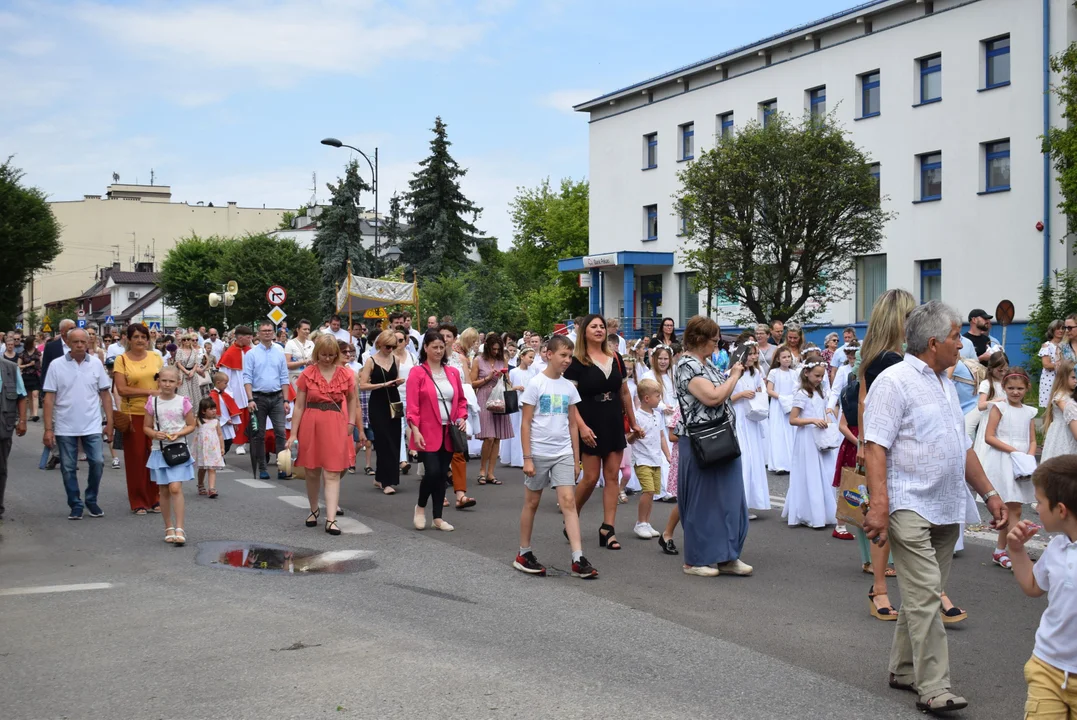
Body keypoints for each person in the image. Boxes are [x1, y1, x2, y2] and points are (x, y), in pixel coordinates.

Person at [863, 300, 1008, 715]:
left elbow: (961, 448)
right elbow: (875, 446)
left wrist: (990, 493)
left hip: (946, 504)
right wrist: (878, 504)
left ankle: (904, 670)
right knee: (928, 595)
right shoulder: (894, 381)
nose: (961, 343)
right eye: (955, 335)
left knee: (920, 596)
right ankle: (935, 687)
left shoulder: (946, 383)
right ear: (933, 342)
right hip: (908, 503)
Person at [514, 334, 598, 579]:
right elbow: (526, 423)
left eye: (570, 356)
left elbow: (573, 425)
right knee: (532, 502)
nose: (567, 360)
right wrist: (527, 457)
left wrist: (575, 459)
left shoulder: (569, 387)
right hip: (539, 452)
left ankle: (577, 557)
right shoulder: (536, 384)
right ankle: (524, 552)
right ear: (548, 354)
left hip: (562, 452)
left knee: (569, 503)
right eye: (563, 355)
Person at [673, 315, 752, 577]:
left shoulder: (705, 364)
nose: (716, 346)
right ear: (699, 339)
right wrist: (736, 375)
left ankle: (727, 556)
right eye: (714, 341)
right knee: (703, 502)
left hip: (723, 438)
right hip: (700, 441)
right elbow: (713, 397)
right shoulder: (686, 364)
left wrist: (730, 374)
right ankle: (696, 560)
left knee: (730, 500)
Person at [857, 288, 915, 621]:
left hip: (886, 446)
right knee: (887, 519)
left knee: (897, 521)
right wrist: (865, 444)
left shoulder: (878, 355)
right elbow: (866, 402)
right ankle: (881, 588)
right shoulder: (888, 360)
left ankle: (886, 589)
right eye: (909, 316)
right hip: (890, 448)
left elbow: (864, 400)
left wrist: (864, 442)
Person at [1007, 457, 1077, 720]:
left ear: (1061, 510)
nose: (1035, 508)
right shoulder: (1058, 547)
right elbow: (1034, 586)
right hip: (1048, 667)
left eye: (1038, 501)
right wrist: (1016, 550)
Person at [565, 314, 641, 551]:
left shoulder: (616, 358)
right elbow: (570, 401)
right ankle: (571, 517)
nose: (598, 330)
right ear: (584, 332)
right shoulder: (576, 361)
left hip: (613, 419)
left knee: (612, 477)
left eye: (601, 326)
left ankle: (608, 529)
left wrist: (633, 421)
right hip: (589, 420)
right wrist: (582, 427)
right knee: (589, 478)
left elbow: (625, 392)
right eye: (593, 326)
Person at [289, 334, 361, 535]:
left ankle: (331, 519)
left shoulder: (346, 374)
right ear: (316, 353)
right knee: (311, 470)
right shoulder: (308, 374)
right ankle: (313, 509)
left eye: (331, 355)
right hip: (311, 421)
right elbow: (299, 406)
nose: (327, 358)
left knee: (332, 471)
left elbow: (353, 400)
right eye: (323, 354)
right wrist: (293, 433)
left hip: (336, 422)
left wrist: (351, 422)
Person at [41, 329, 113, 520]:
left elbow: (105, 394)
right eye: (76, 342)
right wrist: (48, 429)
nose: (80, 345)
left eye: (83, 341)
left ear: (88, 342)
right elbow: (48, 398)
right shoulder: (57, 365)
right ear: (68, 342)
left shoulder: (96, 364)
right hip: (65, 425)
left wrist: (110, 423)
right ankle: (75, 504)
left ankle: (91, 499)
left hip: (92, 424)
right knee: (68, 467)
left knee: (97, 462)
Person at [406, 330, 468, 531]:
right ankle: (421, 506)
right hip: (426, 431)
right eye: (435, 347)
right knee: (432, 472)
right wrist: (415, 429)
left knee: (442, 474)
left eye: (442, 347)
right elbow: (412, 406)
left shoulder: (452, 372)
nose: (439, 351)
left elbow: (460, 400)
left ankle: (438, 517)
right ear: (425, 348)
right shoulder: (417, 373)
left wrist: (462, 417)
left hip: (448, 431)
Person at [977, 367, 1037, 570]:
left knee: (1015, 508)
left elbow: (1032, 440)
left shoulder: (1029, 412)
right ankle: (1009, 550)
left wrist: (1028, 455)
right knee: (1009, 508)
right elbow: (989, 436)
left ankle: (1002, 549)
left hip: (1020, 463)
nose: (1015, 392)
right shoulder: (999, 408)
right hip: (1003, 459)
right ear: (1004, 387)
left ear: (1027, 388)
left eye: (1020, 388)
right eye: (1011, 388)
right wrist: (1014, 451)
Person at [113, 323, 164, 514]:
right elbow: (122, 389)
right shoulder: (122, 360)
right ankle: (138, 501)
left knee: (156, 456)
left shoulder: (156, 357)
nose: (140, 340)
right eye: (136, 337)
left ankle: (155, 498)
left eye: (143, 337)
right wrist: (150, 391)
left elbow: (164, 380)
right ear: (128, 339)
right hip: (133, 414)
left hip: (156, 414)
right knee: (136, 459)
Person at [783, 355, 837, 529]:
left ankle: (823, 510)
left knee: (825, 473)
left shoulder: (820, 392)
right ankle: (808, 512)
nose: (820, 379)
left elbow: (821, 411)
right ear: (806, 373)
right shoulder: (802, 393)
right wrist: (813, 420)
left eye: (822, 376)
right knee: (809, 473)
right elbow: (793, 419)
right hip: (807, 438)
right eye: (817, 376)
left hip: (820, 436)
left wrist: (826, 418)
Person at [143, 366, 196, 545]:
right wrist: (153, 434)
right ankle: (169, 527)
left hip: (178, 450)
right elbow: (146, 426)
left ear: (178, 383)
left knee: (175, 488)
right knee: (164, 490)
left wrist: (180, 433)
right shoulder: (153, 402)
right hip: (160, 450)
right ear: (158, 381)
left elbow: (191, 424)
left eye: (171, 381)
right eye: (164, 380)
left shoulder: (183, 401)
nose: (167, 384)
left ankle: (180, 527)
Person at [359, 330, 404, 494]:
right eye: (387, 346)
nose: (390, 349)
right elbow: (362, 385)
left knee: (394, 439)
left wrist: (397, 382)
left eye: (393, 346)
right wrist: (382, 385)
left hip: (394, 400)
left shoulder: (396, 359)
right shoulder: (371, 361)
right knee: (383, 440)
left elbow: (395, 378)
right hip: (377, 402)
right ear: (379, 344)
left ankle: (381, 478)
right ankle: (386, 482)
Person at [243, 321, 289, 481]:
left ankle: (283, 468)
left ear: (274, 333)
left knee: (281, 433)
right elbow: (247, 378)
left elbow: (284, 377)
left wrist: (286, 400)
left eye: (270, 330)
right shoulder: (251, 354)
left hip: (277, 397)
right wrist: (249, 399)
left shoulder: (279, 352)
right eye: (264, 331)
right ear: (258, 333)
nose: (267, 333)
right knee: (258, 435)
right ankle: (262, 468)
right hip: (258, 398)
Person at [730, 342, 770, 517]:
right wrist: (741, 395)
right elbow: (726, 398)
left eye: (755, 354)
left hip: (751, 418)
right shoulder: (732, 374)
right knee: (743, 459)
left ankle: (747, 502)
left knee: (753, 459)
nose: (754, 357)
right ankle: (737, 505)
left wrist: (759, 393)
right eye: (751, 354)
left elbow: (762, 392)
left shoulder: (756, 374)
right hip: (739, 418)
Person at [440, 324, 476, 509]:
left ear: (455, 339)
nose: (445, 339)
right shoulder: (430, 361)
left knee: (458, 452)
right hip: (436, 413)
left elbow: (467, 386)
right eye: (442, 336)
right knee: (438, 456)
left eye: (448, 336)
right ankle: (439, 494)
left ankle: (461, 495)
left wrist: (465, 413)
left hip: (456, 412)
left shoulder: (460, 359)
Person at [630, 378, 670, 539]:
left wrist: (667, 454)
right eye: (658, 396)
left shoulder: (658, 416)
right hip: (642, 459)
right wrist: (635, 434)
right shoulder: (637, 417)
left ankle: (646, 522)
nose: (660, 398)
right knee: (647, 490)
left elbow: (661, 436)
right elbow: (629, 439)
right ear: (647, 398)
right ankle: (640, 523)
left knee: (652, 492)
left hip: (655, 459)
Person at [472, 331, 513, 485]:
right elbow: (471, 383)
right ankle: (482, 470)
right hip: (484, 397)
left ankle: (491, 473)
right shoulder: (478, 360)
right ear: (488, 347)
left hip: (500, 397)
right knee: (488, 437)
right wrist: (487, 378)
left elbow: (508, 381)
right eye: (494, 349)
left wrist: (505, 377)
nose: (496, 352)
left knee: (497, 438)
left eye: (498, 349)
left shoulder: (502, 361)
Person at [0, 348, 29, 519]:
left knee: (1, 467)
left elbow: (21, 395)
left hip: (3, 426)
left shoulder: (10, 368)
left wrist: (23, 421)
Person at [217, 326, 253, 455]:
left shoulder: (251, 350)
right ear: (240, 337)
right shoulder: (230, 353)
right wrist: (227, 392)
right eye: (248, 337)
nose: (251, 339)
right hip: (236, 388)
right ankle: (239, 443)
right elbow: (224, 374)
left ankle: (250, 441)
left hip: (250, 387)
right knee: (238, 417)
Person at [500, 347, 536, 468]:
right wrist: (516, 387)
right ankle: (515, 458)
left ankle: (525, 456)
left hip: (528, 403)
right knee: (516, 429)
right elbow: (508, 386)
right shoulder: (514, 372)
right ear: (522, 357)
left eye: (533, 358)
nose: (532, 360)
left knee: (527, 430)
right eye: (530, 357)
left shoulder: (533, 372)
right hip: (516, 402)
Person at [765, 347, 796, 473]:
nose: (787, 359)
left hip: (791, 404)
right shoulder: (774, 372)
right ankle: (779, 464)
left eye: (788, 356)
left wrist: (791, 399)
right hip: (778, 405)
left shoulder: (794, 373)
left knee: (790, 432)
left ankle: (791, 462)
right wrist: (782, 398)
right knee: (778, 433)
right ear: (778, 359)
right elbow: (769, 390)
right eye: (784, 357)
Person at [1041, 360, 1077, 462]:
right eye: (1073, 377)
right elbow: (1069, 412)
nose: (1076, 380)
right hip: (1063, 433)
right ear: (1063, 377)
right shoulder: (1060, 395)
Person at [191, 397, 226, 499]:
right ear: (203, 411)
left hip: (213, 449)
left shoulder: (216, 422)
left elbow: (220, 435)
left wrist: (222, 447)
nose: (214, 411)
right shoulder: (198, 421)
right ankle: (201, 484)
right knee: (202, 468)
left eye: (214, 408)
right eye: (210, 409)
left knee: (212, 468)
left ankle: (211, 488)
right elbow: (189, 427)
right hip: (202, 449)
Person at [1038, 320, 1065, 409]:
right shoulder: (1047, 346)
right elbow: (1046, 365)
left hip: (1064, 378)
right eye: (1058, 328)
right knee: (1049, 406)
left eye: (1063, 328)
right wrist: (1062, 365)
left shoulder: (1066, 346)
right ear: (1052, 330)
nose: (1061, 331)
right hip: (1050, 379)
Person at [173, 334, 204, 406]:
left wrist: (192, 372)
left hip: (193, 375)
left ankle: (195, 414)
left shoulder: (194, 351)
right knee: (184, 395)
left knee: (195, 395)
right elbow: (178, 363)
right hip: (183, 375)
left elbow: (196, 363)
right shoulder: (179, 351)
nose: (186, 341)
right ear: (182, 341)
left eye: (188, 339)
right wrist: (186, 372)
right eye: (184, 339)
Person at [16, 337, 41, 422]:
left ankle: (35, 414)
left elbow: (41, 363)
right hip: (26, 376)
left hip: (36, 376)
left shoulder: (38, 353)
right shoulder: (22, 354)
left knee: (35, 395)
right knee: (29, 396)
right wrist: (28, 365)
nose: (35, 343)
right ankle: (31, 414)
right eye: (34, 341)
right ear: (30, 343)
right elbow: (18, 366)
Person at [284, 319, 314, 388]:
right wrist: (304, 362)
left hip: (309, 377)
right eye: (304, 329)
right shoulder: (290, 343)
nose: (307, 331)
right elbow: (287, 364)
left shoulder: (311, 343)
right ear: (298, 330)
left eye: (308, 329)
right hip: (295, 378)